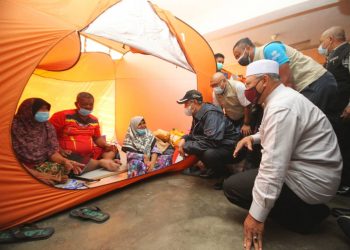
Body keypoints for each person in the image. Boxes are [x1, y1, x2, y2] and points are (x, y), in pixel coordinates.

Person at [223, 60, 342, 249]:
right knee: (247, 181)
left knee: (233, 188)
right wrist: (252, 139)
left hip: (312, 180)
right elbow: (270, 130)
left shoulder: (281, 107)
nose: (247, 90)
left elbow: (273, 167)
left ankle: (307, 217)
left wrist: (256, 216)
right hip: (315, 173)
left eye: (249, 84)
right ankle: (302, 208)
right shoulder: (282, 98)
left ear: (264, 81)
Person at [232, 37, 337, 116]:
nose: (238, 60)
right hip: (308, 86)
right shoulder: (259, 63)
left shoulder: (269, 49)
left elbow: (286, 80)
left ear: (247, 48)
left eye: (238, 55)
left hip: (315, 81)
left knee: (303, 119)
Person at [177, 90, 240, 189]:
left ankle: (225, 175)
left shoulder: (211, 114)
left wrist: (187, 146)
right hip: (218, 144)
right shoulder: (197, 114)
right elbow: (193, 134)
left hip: (231, 147)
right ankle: (214, 170)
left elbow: (213, 141)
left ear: (194, 102)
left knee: (209, 154)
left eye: (186, 103)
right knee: (192, 145)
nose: (185, 107)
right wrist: (184, 139)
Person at [12, 98, 84, 185]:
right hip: (18, 168)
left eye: (46, 109)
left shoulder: (47, 126)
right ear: (28, 111)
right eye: (41, 109)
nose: (45, 112)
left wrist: (64, 161)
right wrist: (37, 175)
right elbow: (10, 160)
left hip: (41, 164)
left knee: (70, 168)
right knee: (45, 182)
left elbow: (52, 152)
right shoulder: (12, 128)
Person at [50, 92, 121, 173]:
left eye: (91, 104)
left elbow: (97, 138)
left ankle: (105, 161)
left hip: (90, 153)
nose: (88, 107)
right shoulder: (62, 116)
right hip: (69, 153)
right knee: (68, 159)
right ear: (77, 104)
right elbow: (48, 135)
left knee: (112, 148)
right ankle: (101, 163)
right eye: (85, 104)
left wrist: (105, 145)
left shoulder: (94, 119)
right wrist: (60, 149)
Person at [319, 26, 350, 194]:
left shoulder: (347, 52)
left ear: (330, 39)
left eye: (322, 41)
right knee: (335, 146)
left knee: (345, 147)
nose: (321, 45)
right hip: (333, 112)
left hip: (345, 111)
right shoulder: (330, 58)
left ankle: (346, 184)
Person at [211, 72, 252, 137]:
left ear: (224, 81)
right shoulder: (215, 93)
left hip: (244, 116)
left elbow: (247, 106)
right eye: (212, 86)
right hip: (230, 117)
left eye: (216, 85)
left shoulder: (238, 86)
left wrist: (246, 124)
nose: (215, 88)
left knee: (243, 135)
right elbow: (218, 110)